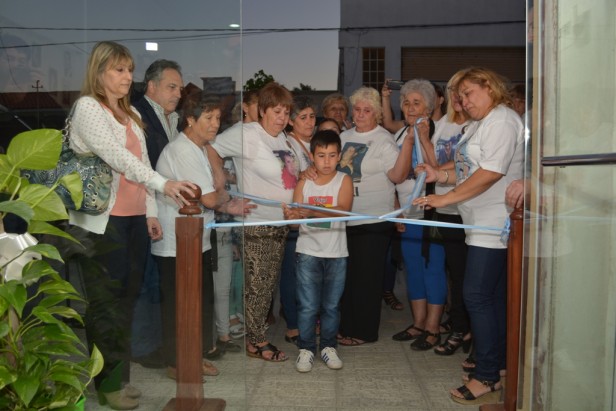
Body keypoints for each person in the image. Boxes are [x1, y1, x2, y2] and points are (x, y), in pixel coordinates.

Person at [68, 41, 195, 410]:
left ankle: (118, 380)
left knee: (125, 304)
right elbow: (117, 157)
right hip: (100, 225)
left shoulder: (130, 116)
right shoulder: (87, 108)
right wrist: (163, 185)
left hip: (134, 221)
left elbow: (141, 165)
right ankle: (106, 387)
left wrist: (151, 212)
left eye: (129, 70)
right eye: (119, 70)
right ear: (100, 73)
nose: (128, 77)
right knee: (105, 307)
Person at [413, 67, 524, 404]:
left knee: (476, 295)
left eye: (468, 93)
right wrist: (439, 174)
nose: (462, 100)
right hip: (477, 223)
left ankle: (488, 375)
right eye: (459, 96)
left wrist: (444, 198)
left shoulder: (502, 120)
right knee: (490, 297)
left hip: (493, 225)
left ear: (490, 87)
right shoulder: (478, 125)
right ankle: (500, 364)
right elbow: (465, 171)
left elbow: (491, 172)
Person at [152, 94, 253, 380]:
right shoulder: (183, 150)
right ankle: (177, 363)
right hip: (178, 244)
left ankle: (193, 357)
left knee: (198, 303)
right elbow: (209, 197)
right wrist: (223, 198)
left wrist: (224, 200)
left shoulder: (199, 148)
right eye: (208, 118)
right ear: (191, 120)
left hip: (197, 239)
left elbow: (215, 194)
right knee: (179, 306)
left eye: (218, 118)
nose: (215, 124)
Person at [210, 82, 308, 362]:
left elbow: (289, 177)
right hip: (258, 222)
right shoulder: (248, 134)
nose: (282, 117)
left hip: (281, 223)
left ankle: (256, 334)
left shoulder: (282, 139)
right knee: (258, 285)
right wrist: (221, 184)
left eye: (286, 112)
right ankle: (256, 342)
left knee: (266, 284)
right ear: (262, 111)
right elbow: (211, 149)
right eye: (276, 111)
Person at [336, 86, 416, 347]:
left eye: (367, 110)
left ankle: (365, 331)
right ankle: (346, 325)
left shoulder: (384, 139)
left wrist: (402, 211)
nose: (360, 114)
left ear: (378, 113)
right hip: (344, 218)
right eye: (357, 109)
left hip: (374, 220)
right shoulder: (343, 135)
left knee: (367, 278)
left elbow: (397, 176)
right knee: (347, 277)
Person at [282, 130, 353, 372]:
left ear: (339, 156)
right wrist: (291, 215)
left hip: (336, 254)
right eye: (321, 155)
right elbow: (293, 222)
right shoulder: (304, 181)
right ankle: (306, 348)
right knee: (308, 305)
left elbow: (343, 210)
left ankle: (329, 346)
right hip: (308, 252)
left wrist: (311, 212)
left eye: (332, 155)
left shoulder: (344, 180)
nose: (326, 161)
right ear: (312, 156)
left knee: (332, 305)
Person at [130, 59, 184, 369]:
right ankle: (143, 347)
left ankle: (158, 342)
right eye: (171, 87)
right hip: (141, 210)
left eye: (179, 88)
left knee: (157, 281)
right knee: (146, 281)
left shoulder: (172, 118)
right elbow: (141, 167)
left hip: (165, 212)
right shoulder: (138, 115)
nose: (177, 93)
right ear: (152, 86)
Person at [389, 79, 446, 351]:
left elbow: (439, 171)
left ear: (429, 105)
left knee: (432, 269)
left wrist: (423, 138)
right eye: (406, 103)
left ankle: (434, 328)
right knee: (413, 269)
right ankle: (419, 323)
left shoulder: (438, 130)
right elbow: (397, 177)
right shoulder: (400, 134)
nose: (411, 108)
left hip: (432, 213)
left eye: (417, 103)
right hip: (408, 213)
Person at [431, 72, 472, 357]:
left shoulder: (478, 124)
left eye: (463, 92)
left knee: (466, 275)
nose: (458, 97)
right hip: (445, 207)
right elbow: (433, 164)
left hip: (468, 209)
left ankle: (464, 329)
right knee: (454, 273)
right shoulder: (442, 124)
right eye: (453, 91)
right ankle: (460, 325)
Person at [279, 95, 317, 345]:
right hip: (293, 218)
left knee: (306, 274)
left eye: (312, 116)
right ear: (291, 122)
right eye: (303, 117)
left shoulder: (309, 145)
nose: (310, 122)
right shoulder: (288, 145)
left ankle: (305, 320)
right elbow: (288, 182)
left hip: (308, 218)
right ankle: (293, 324)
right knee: (291, 273)